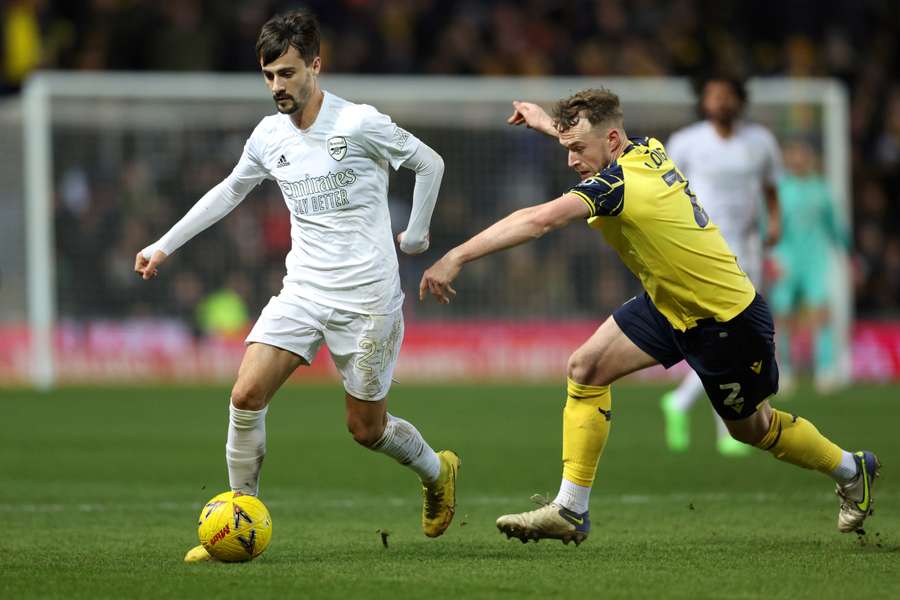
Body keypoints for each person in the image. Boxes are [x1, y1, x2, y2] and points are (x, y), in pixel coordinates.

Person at [419, 88, 878, 545]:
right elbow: (593, 137)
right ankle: (570, 507)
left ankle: (851, 468)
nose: (570, 161)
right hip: (668, 304)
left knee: (753, 429)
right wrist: (545, 122)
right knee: (586, 368)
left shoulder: (617, 185)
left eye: (577, 150)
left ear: (613, 141)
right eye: (567, 149)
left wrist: (456, 255)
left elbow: (539, 220)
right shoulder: (645, 149)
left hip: (725, 319)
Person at [134, 10, 459, 562]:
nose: (277, 87)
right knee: (245, 395)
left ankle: (436, 472)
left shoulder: (358, 122)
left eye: (287, 73)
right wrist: (164, 244)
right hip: (304, 290)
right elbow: (230, 191)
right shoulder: (268, 135)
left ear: (315, 64)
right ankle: (237, 520)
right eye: (268, 76)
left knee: (366, 429)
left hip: (368, 303)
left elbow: (429, 163)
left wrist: (417, 237)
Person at [659, 77, 783, 457]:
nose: (722, 101)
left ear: (739, 100)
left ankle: (686, 405)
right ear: (704, 101)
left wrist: (775, 223)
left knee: (738, 338)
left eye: (728, 95)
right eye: (714, 95)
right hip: (703, 251)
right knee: (722, 336)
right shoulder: (685, 142)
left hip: (746, 249)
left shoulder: (760, 141)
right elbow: (664, 194)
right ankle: (727, 427)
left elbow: (771, 190)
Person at [770, 138, 849, 392]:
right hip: (787, 260)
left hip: (816, 260)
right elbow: (768, 227)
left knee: (820, 313)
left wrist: (847, 253)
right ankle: (786, 370)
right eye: (793, 154)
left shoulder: (821, 190)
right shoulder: (780, 190)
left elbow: (835, 227)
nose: (798, 159)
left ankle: (826, 369)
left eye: (802, 153)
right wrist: (771, 256)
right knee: (783, 316)